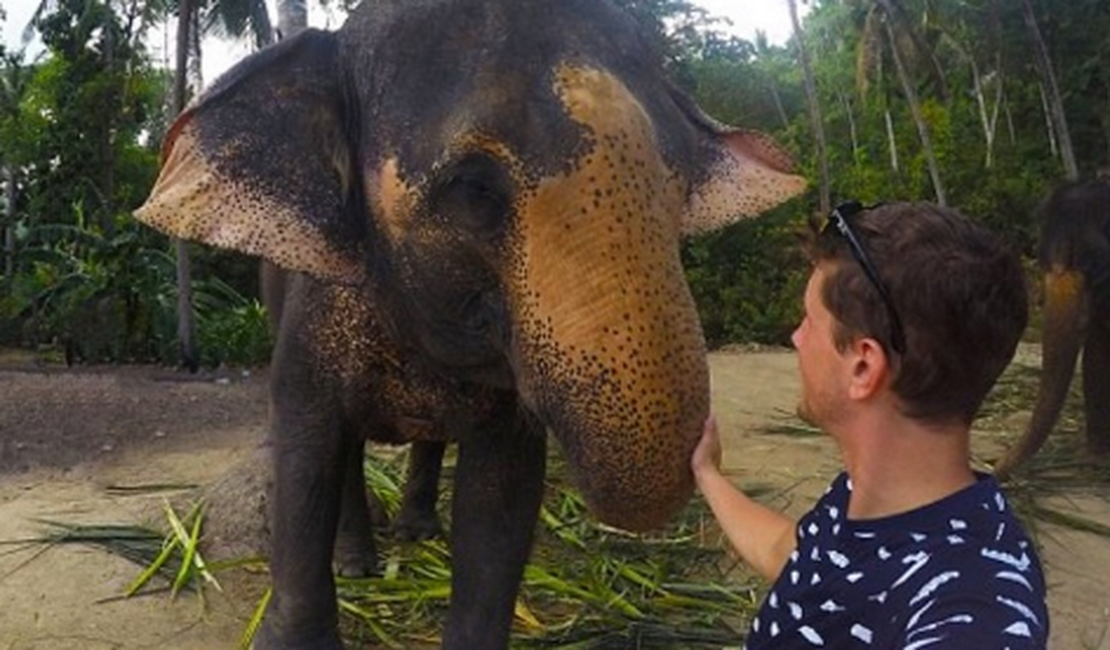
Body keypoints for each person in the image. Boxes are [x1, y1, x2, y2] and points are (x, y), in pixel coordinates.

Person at [692, 201, 1049, 648]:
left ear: (864, 367)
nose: (796, 338)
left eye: (809, 322)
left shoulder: (974, 604)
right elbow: (788, 552)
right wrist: (708, 474)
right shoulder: (859, 501)